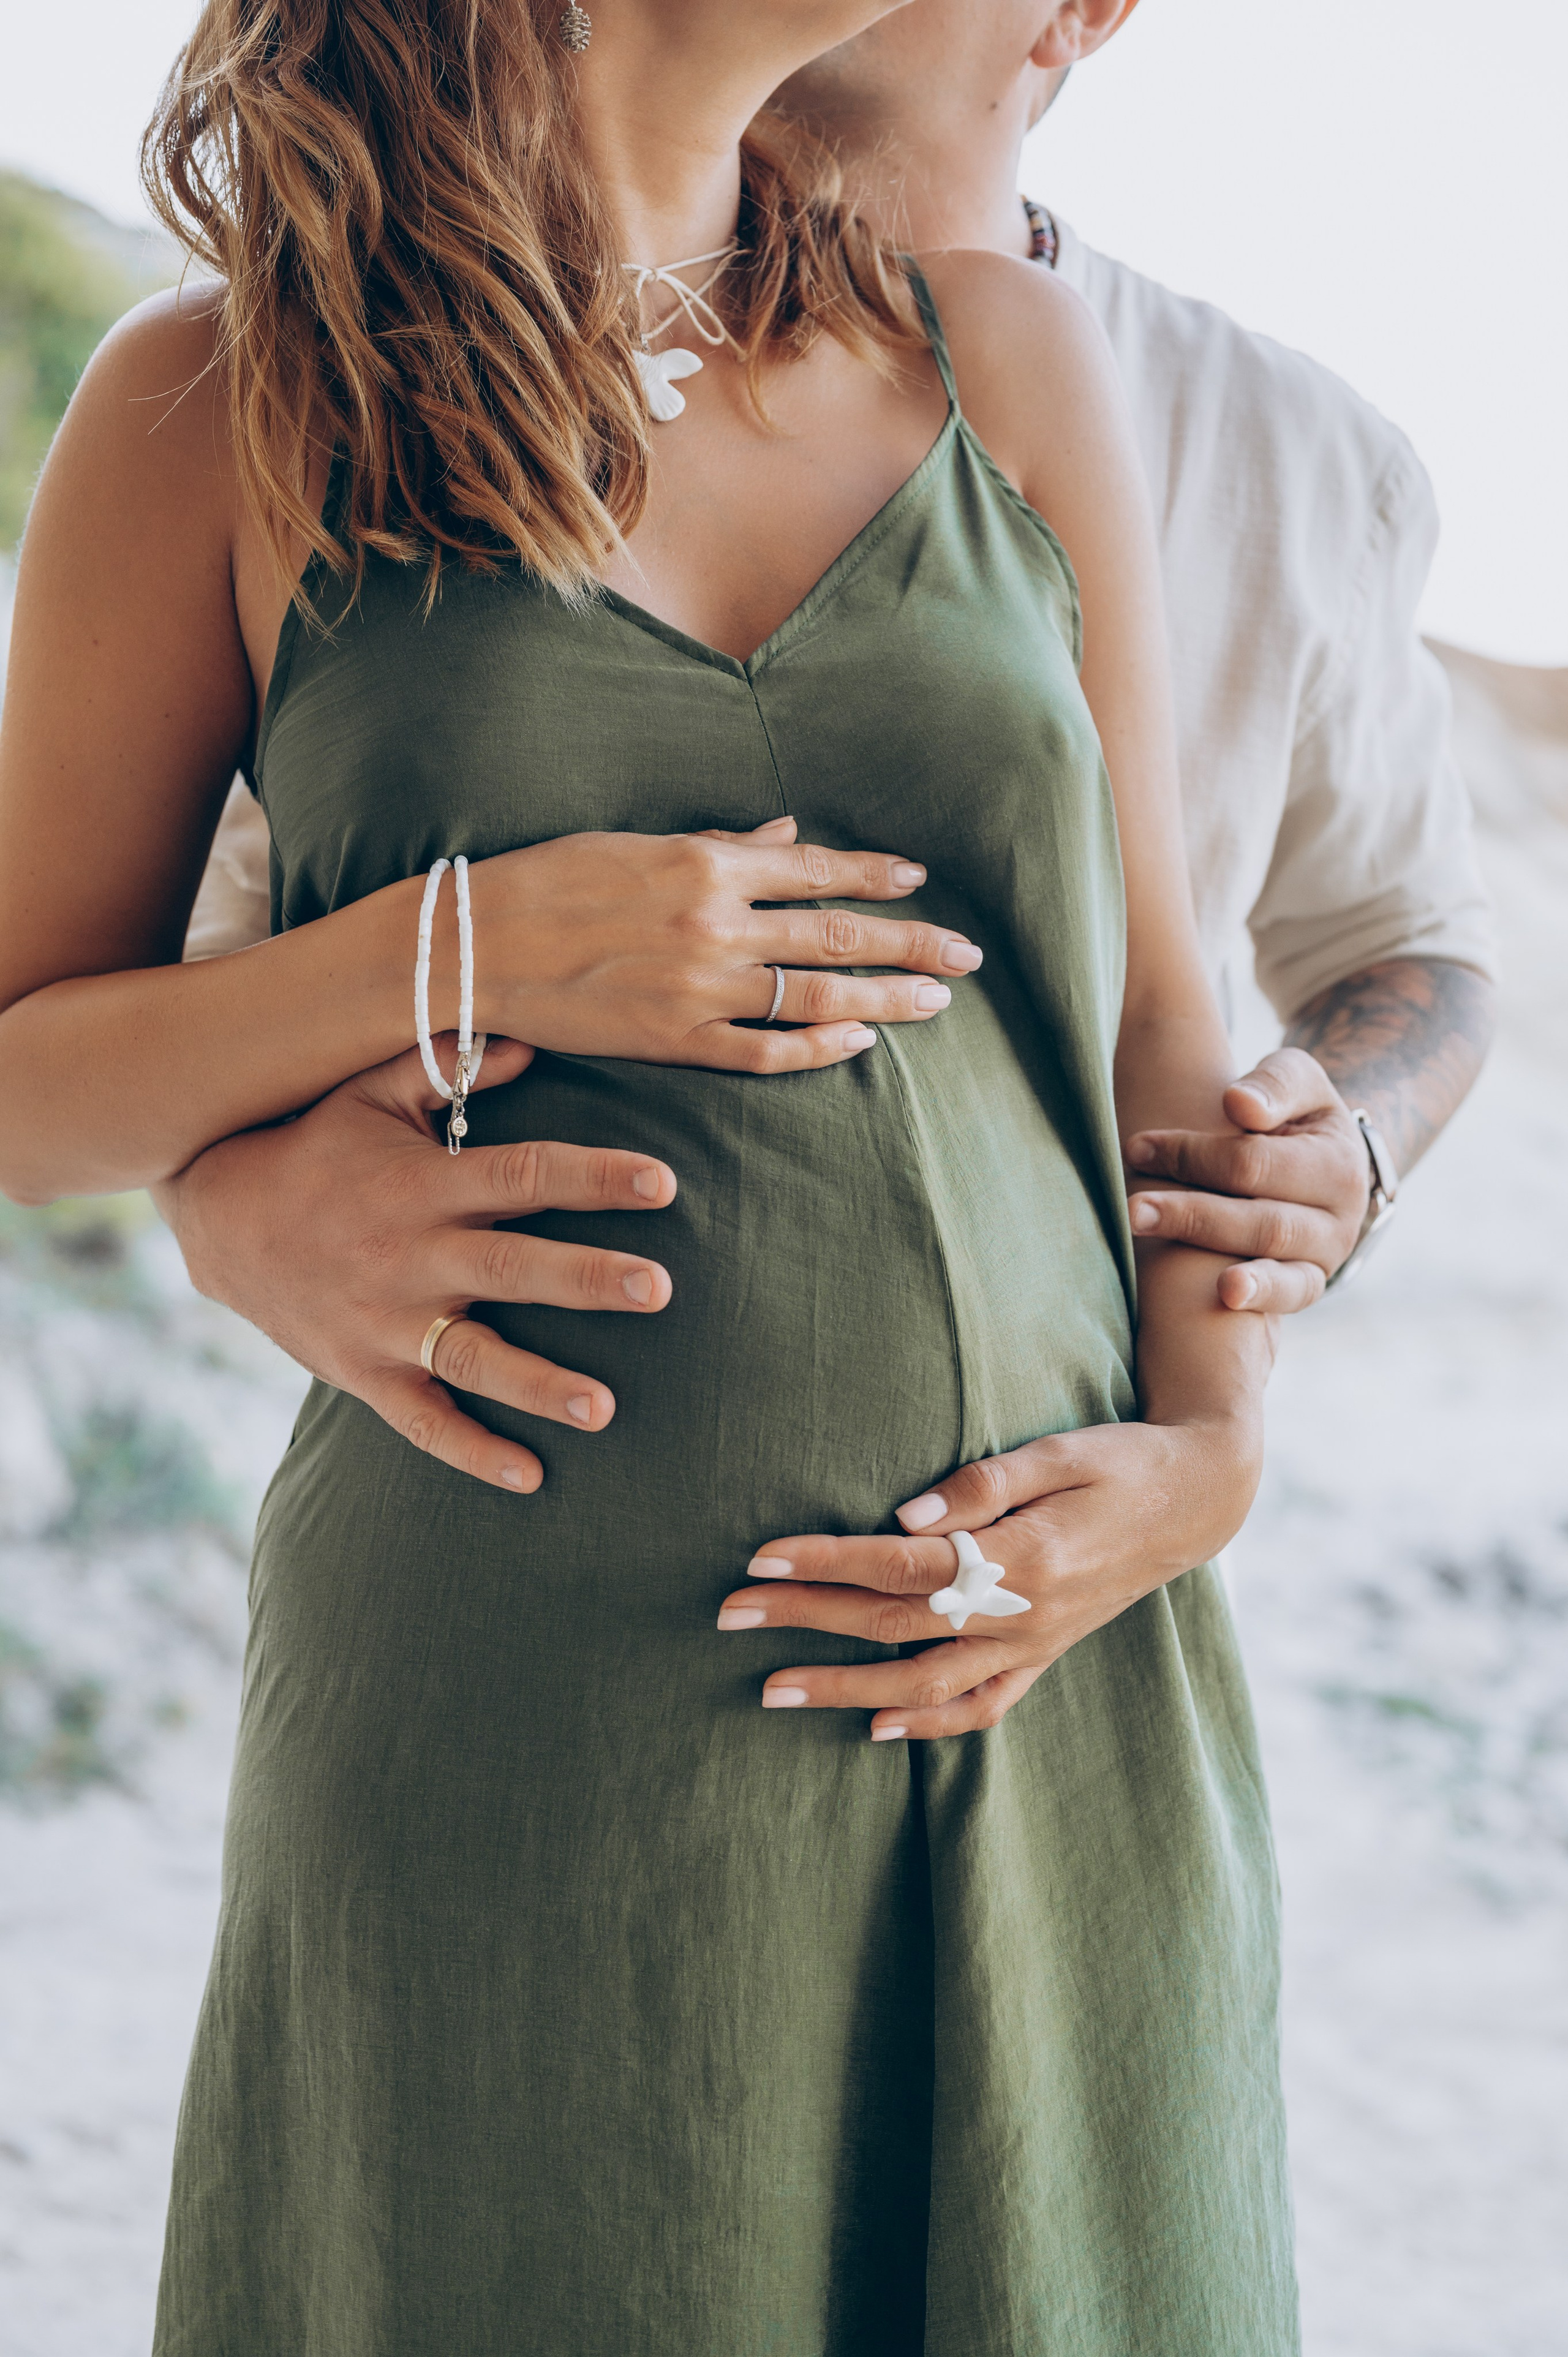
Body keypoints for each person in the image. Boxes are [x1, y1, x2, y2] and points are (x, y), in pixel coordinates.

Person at [0, 0, 1298, 2348]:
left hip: (1040, 1658)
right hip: (514, 1700)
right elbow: (22, 1078)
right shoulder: (215, 405)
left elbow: (1169, 1041)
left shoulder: (1000, 348)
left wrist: (1207, 1459)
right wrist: (454, 949)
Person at [170, 0, 1494, 1496]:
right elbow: (230, 946)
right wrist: (220, 1206)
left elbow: (1402, 944)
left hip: (1055, 1492)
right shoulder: (396, 367)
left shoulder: (1291, 453)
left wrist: (1336, 1167)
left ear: (1081, 12)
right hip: (531, 1509)